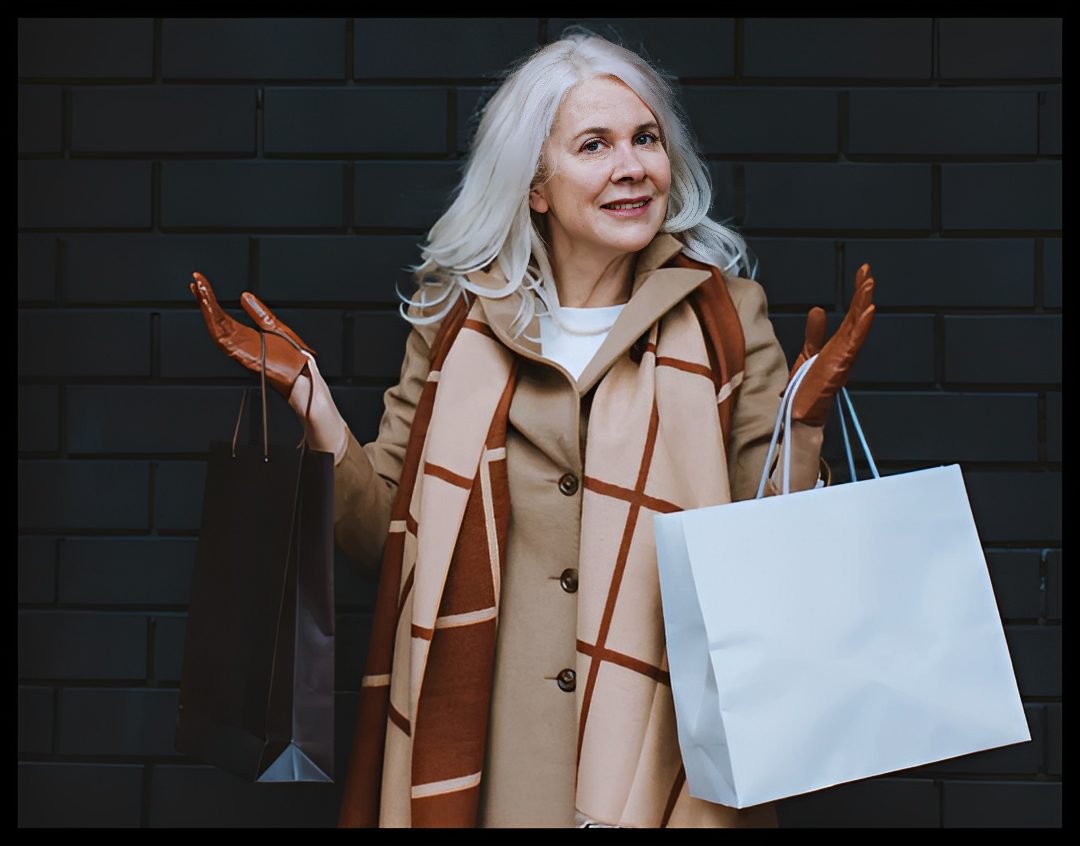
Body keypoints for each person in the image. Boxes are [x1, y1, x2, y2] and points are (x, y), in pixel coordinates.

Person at [189, 30, 875, 829]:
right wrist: (313, 403)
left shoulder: (725, 316)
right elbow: (388, 537)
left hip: (667, 756)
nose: (633, 167)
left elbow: (765, 550)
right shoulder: (457, 323)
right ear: (536, 185)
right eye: (595, 144)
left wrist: (802, 426)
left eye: (646, 138)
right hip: (489, 760)